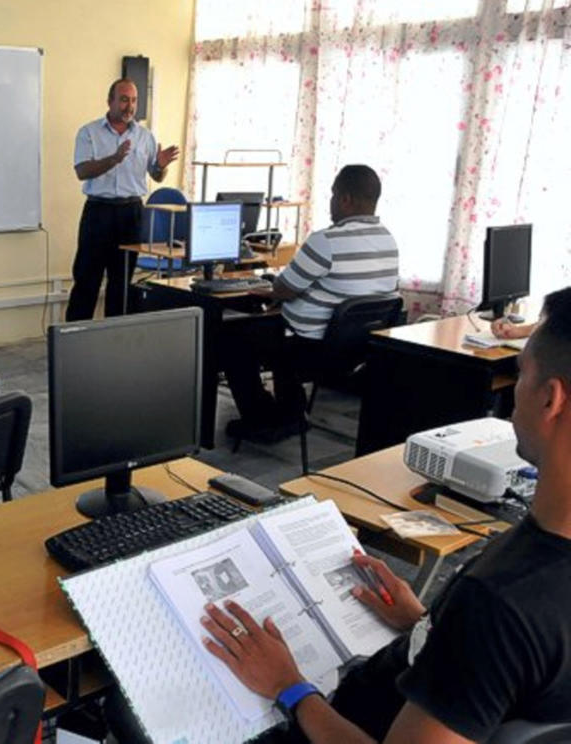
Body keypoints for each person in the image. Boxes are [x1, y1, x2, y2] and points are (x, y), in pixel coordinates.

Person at [203, 286, 571, 743]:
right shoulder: (521, 590)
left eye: (521, 372)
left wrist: (289, 687)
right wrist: (426, 625)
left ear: (550, 399)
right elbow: (509, 674)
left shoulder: (498, 605)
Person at [222, 165, 399, 440]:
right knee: (272, 328)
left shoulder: (326, 240)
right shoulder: (389, 241)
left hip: (308, 349)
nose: (330, 202)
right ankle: (289, 412)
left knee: (233, 339)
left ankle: (263, 419)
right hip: (354, 352)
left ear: (345, 199)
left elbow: (284, 288)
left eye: (332, 195)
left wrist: (270, 289)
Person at [65, 79, 180, 321]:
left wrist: (160, 166)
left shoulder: (145, 136)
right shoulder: (89, 133)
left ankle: (115, 343)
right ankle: (73, 343)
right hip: (99, 212)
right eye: (124, 99)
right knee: (87, 280)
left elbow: (156, 176)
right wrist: (114, 159)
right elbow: (82, 172)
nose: (129, 106)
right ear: (110, 101)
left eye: (134, 100)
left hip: (131, 213)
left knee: (122, 284)